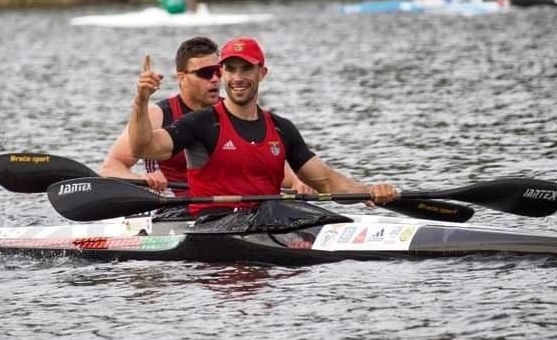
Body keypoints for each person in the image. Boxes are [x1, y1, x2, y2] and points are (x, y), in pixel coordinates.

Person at [125, 37, 398, 217]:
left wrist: (369, 191)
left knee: (307, 215)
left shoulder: (281, 129)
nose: (237, 78)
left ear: (261, 74)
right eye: (230, 70)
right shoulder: (201, 123)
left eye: (246, 69)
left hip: (268, 221)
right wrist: (141, 100)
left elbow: (327, 181)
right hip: (213, 229)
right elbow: (144, 146)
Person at [100, 36, 312, 196]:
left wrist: (296, 183)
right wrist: (141, 180)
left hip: (224, 212)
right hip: (169, 210)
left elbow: (266, 159)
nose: (214, 79)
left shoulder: (233, 110)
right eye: (204, 73)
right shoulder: (158, 114)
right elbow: (111, 167)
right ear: (181, 78)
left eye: (218, 71)